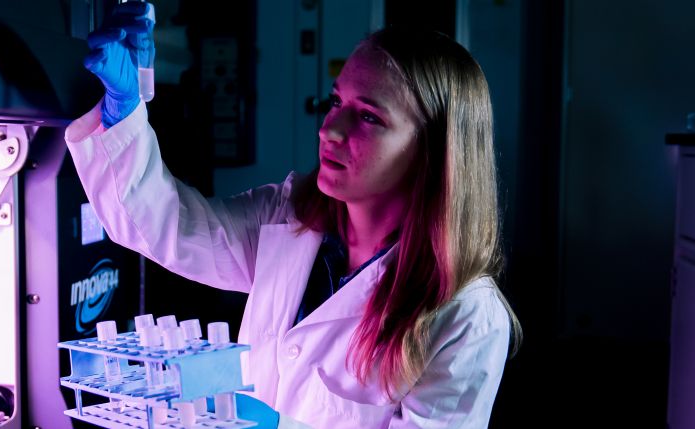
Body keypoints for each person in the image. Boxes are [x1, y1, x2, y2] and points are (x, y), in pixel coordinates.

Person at [65, 3, 521, 428]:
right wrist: (124, 115)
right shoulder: (289, 217)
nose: (329, 129)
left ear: (433, 153)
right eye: (337, 101)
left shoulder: (467, 317)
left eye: (368, 117)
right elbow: (165, 226)